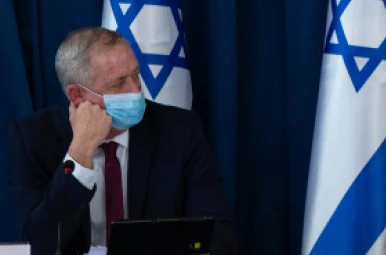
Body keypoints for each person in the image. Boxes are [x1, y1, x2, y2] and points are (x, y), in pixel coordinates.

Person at [6, 28, 236, 254]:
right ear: (77, 95)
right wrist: (81, 152)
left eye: (135, 74)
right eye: (119, 83)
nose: (135, 90)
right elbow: (41, 244)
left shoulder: (179, 131)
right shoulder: (32, 139)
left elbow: (218, 236)